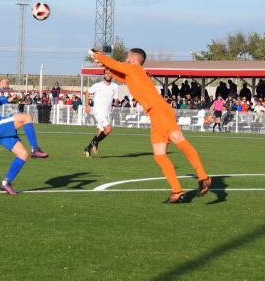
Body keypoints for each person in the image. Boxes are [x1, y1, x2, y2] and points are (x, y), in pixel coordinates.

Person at [90, 48, 211, 203]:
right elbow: (118, 75)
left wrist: (98, 55)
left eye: (127, 57)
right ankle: (177, 191)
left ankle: (202, 176)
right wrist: (104, 65)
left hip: (159, 112)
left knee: (180, 142)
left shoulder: (134, 68)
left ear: (133, 59)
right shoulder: (134, 73)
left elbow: (114, 64)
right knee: (160, 155)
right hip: (156, 113)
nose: (125, 59)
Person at [0, 69, 49, 196]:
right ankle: (35, 149)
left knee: (23, 155)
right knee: (26, 117)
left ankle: (5, 183)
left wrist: (8, 99)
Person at [83, 69, 120, 157]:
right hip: (98, 112)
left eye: (109, 73)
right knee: (108, 129)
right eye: (106, 73)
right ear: (104, 75)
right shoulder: (98, 85)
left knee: (100, 132)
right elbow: (87, 92)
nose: (108, 75)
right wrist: (87, 105)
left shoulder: (115, 86)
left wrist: (117, 102)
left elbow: (116, 99)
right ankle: (94, 142)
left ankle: (88, 148)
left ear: (112, 75)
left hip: (108, 113)